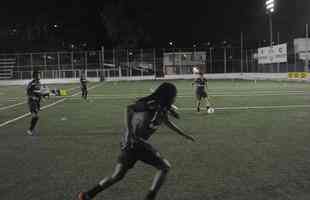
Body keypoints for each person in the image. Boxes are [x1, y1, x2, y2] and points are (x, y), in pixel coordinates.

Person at [78, 82, 195, 200]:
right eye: (174, 95)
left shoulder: (161, 108)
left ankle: (88, 194)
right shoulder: (150, 105)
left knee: (117, 175)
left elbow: (167, 122)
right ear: (168, 95)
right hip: (133, 143)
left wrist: (184, 135)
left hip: (133, 144)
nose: (175, 98)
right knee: (164, 167)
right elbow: (129, 108)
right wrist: (129, 132)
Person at [26, 71, 42, 136]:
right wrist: (33, 97)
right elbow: (28, 92)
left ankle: (31, 129)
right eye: (39, 75)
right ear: (35, 76)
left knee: (36, 116)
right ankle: (30, 130)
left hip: (37, 102)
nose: (40, 76)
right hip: (32, 102)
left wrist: (41, 96)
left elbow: (39, 92)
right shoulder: (32, 83)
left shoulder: (39, 83)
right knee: (35, 116)